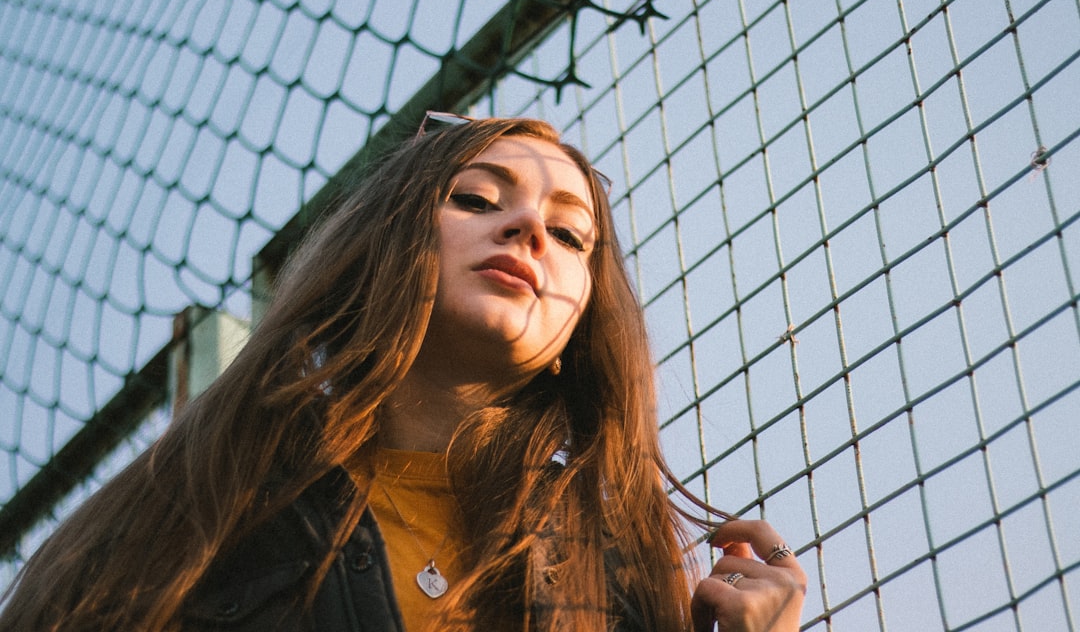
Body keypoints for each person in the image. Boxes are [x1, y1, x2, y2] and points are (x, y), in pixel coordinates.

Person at [0, 115, 806, 631]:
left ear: (577, 329)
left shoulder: (617, 573)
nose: (528, 226)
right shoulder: (213, 491)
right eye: (477, 198)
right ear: (382, 250)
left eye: (570, 236)